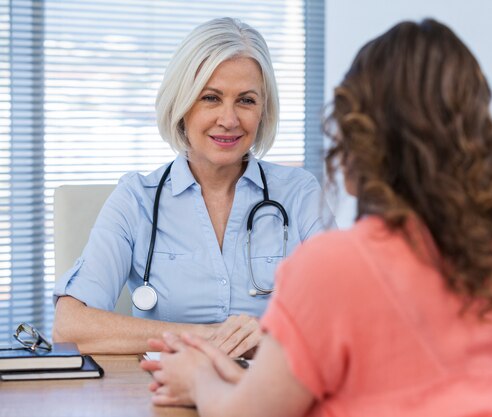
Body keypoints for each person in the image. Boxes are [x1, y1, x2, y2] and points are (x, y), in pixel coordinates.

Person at [142, 18, 492, 416]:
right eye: (210, 97)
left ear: (361, 136)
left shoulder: (333, 266)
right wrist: (241, 377)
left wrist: (198, 378)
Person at [52, 17, 334, 355]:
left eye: (246, 100)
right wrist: (211, 337)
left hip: (275, 394)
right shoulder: (135, 200)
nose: (229, 120)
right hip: (166, 392)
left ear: (263, 110)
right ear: (182, 104)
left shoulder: (299, 194)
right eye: (211, 98)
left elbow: (353, 313)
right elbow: (70, 326)